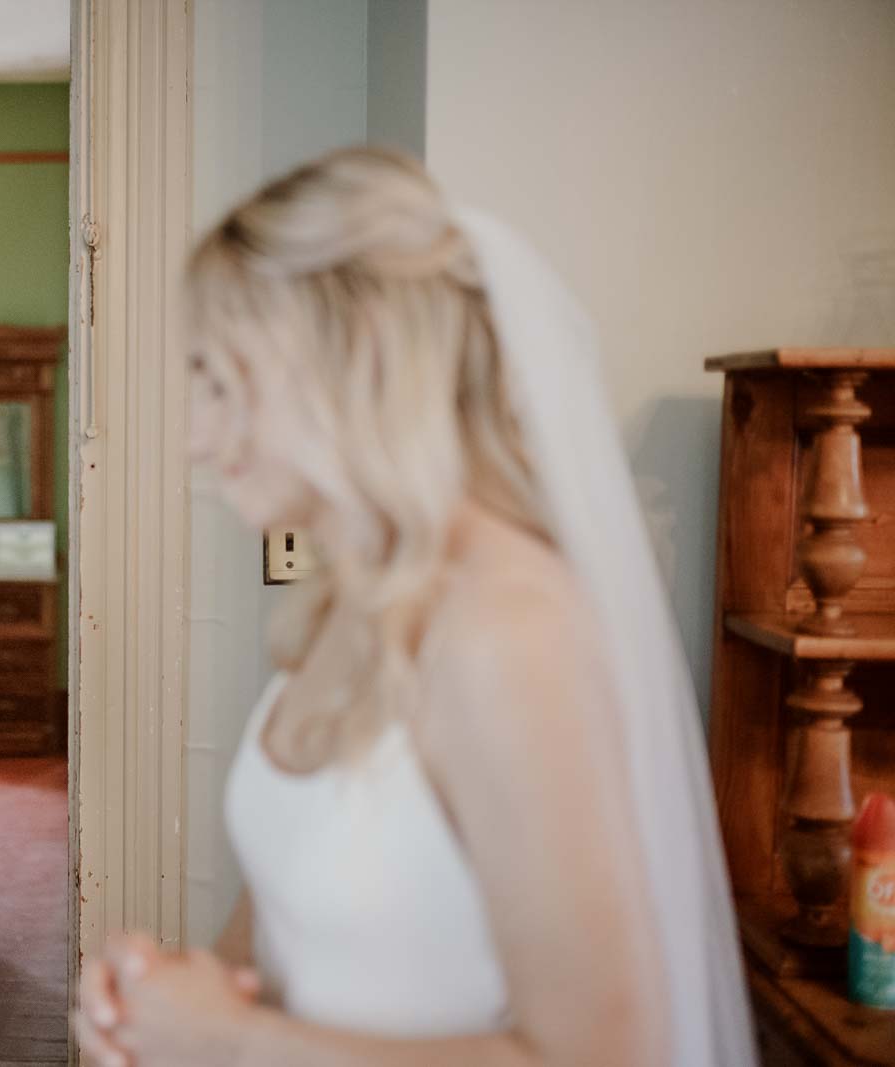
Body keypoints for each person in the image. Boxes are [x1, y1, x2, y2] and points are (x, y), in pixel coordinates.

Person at [75, 148, 756, 1065]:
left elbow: (604, 1052)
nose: (195, 436)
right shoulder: (345, 608)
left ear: (350, 357)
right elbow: (280, 937)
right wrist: (160, 994)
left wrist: (233, 1042)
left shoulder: (510, 631)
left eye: (221, 380)